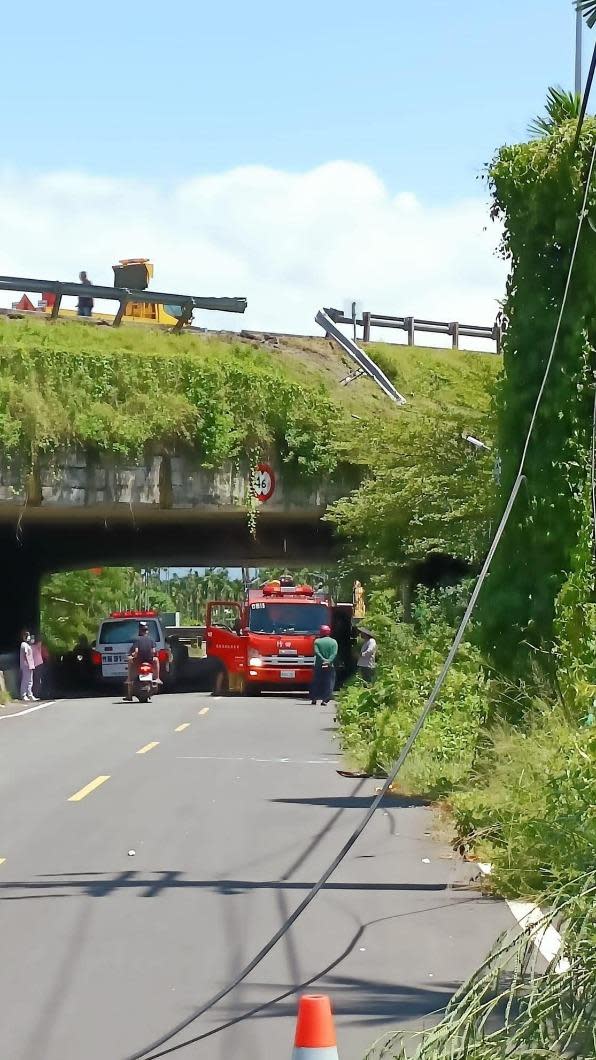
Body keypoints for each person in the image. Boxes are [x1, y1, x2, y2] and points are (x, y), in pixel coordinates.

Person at [126, 621, 159, 700]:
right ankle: (157, 677)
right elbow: (153, 651)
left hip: (139, 661)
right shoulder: (151, 640)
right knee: (157, 660)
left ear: (140, 631)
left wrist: (133, 655)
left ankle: (129, 690)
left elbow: (136, 651)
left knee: (130, 662)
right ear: (147, 631)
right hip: (149, 660)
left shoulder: (137, 640)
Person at [311, 624, 338, 706]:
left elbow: (316, 652)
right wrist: (328, 661)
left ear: (321, 632)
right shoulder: (334, 642)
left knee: (316, 682)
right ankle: (325, 700)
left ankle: (314, 699)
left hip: (319, 665)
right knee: (329, 683)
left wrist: (323, 660)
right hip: (330, 665)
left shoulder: (317, 641)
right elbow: (334, 653)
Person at [19, 629, 37, 702]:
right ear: (24, 637)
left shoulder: (28, 645)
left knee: (30, 681)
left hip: (30, 665)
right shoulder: (24, 644)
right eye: (27, 636)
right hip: (26, 665)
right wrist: (29, 664)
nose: (29, 637)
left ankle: (30, 694)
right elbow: (26, 655)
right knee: (25, 680)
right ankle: (23, 695)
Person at [31, 634, 49, 700]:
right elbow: (46, 656)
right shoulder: (39, 646)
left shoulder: (31, 647)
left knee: (34, 679)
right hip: (38, 664)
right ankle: (37, 693)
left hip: (34, 664)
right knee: (38, 679)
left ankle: (36, 693)